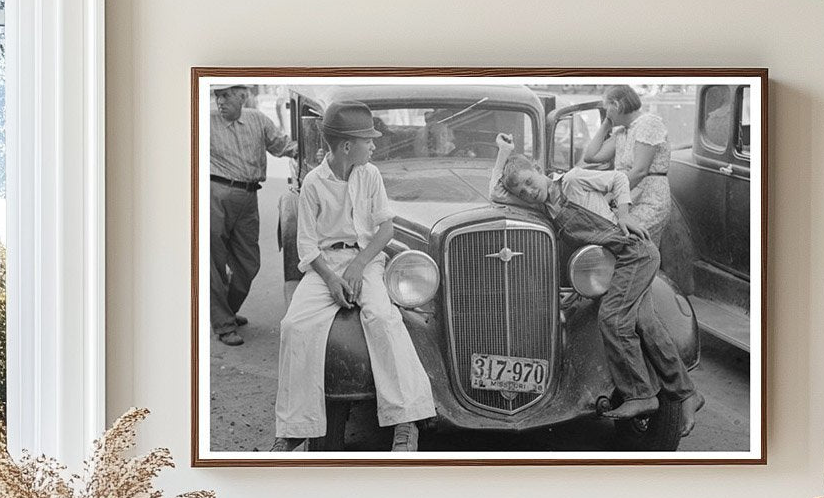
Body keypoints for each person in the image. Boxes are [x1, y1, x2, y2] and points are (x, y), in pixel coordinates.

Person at [489, 133, 702, 436]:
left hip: (633, 254)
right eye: (521, 190)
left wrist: (625, 214)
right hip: (617, 263)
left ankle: (640, 394)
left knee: (612, 319)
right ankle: (687, 393)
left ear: (539, 168)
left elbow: (618, 179)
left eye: (528, 180)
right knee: (645, 323)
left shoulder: (573, 180)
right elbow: (496, 192)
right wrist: (504, 153)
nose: (527, 190)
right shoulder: (547, 207)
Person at [273, 101, 436, 453]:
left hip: (366, 260)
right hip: (325, 267)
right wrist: (333, 281)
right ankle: (293, 428)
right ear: (348, 146)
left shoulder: (370, 174)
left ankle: (406, 421)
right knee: (295, 326)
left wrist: (359, 265)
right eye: (369, 140)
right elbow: (306, 246)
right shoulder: (313, 184)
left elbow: (385, 228)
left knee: (382, 317)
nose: (374, 146)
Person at [210, 84, 296, 346]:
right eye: (217, 96)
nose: (220, 101)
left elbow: (282, 146)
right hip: (214, 194)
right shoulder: (205, 123)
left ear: (242, 96)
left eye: (226, 95)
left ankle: (224, 309)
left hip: (248, 197)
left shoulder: (258, 120)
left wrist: (315, 148)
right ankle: (224, 324)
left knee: (248, 262)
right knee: (214, 264)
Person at [581, 85, 673, 245]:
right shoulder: (623, 132)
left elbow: (640, 171)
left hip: (649, 199)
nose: (606, 112)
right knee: (624, 246)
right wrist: (605, 125)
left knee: (626, 243)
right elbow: (591, 156)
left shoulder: (648, 124)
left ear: (616, 105)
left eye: (606, 108)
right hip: (629, 198)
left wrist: (610, 196)